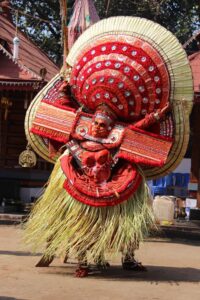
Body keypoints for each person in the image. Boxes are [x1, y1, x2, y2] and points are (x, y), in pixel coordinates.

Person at [24, 16, 193, 277]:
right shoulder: (78, 125)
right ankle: (84, 257)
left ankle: (127, 256)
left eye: (103, 125)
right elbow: (58, 116)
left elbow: (139, 129)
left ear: (112, 124)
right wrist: (65, 89)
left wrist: (157, 117)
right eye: (96, 124)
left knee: (131, 210)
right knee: (78, 217)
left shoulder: (122, 133)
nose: (98, 128)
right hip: (76, 177)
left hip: (116, 181)